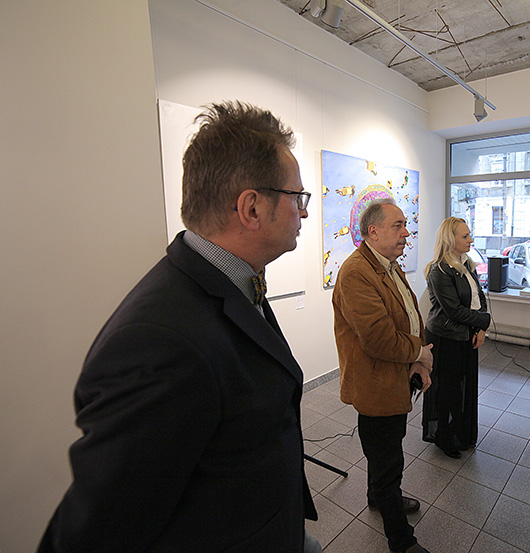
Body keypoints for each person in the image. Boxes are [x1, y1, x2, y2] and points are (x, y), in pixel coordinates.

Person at [38, 102, 319, 553]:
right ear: (251, 208)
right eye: (296, 197)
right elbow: (95, 533)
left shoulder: (231, 279)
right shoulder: (158, 343)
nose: (303, 213)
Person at [332, 198, 433, 553]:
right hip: (375, 384)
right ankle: (401, 541)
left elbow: (408, 315)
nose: (406, 233)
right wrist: (420, 353)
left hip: (395, 376)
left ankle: (378, 496)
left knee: (386, 450)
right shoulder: (356, 272)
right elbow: (378, 338)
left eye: (405, 225)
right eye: (398, 225)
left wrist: (417, 360)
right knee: (388, 460)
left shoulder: (388, 265)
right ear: (373, 232)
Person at [421, 217, 490, 458]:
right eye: (465, 236)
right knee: (448, 390)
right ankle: (443, 435)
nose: (471, 239)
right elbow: (454, 311)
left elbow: (479, 298)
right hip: (446, 337)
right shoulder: (439, 270)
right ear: (450, 239)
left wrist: (481, 329)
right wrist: (483, 321)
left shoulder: (467, 264)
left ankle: (459, 431)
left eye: (469, 234)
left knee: (463, 386)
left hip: (467, 333)